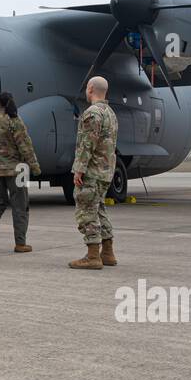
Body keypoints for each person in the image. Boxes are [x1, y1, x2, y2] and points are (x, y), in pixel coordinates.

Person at [0, 92, 41, 253]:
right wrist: (34, 166)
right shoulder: (15, 120)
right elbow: (25, 145)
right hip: (18, 170)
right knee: (20, 205)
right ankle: (20, 243)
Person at [69, 76, 120, 270]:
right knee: (99, 209)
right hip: (106, 172)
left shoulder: (92, 113)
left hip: (91, 171)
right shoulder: (111, 113)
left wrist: (79, 169)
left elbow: (87, 144)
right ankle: (107, 252)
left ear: (90, 89)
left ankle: (92, 256)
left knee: (86, 212)